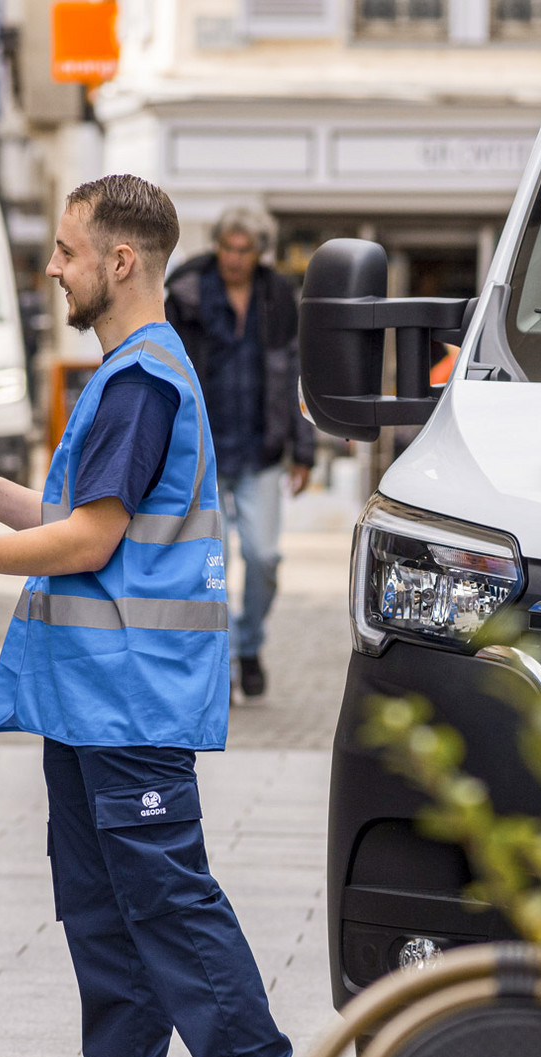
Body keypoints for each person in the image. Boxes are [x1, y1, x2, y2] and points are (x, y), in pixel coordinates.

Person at [0, 175, 293, 1057]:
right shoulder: (128, 374)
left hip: (131, 699)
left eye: (65, 251)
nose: (52, 269)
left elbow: (88, 542)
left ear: (119, 261)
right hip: (99, 701)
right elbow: (71, 511)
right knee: (104, 916)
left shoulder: (141, 383)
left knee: (166, 904)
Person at [165, 206, 315, 700]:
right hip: (203, 450)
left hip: (262, 447)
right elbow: (169, 372)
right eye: (226, 247)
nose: (233, 257)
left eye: (243, 249)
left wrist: (304, 447)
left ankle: (250, 643)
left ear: (259, 252)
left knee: (264, 556)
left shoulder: (278, 296)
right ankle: (226, 667)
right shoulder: (186, 295)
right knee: (216, 563)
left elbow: (295, 371)